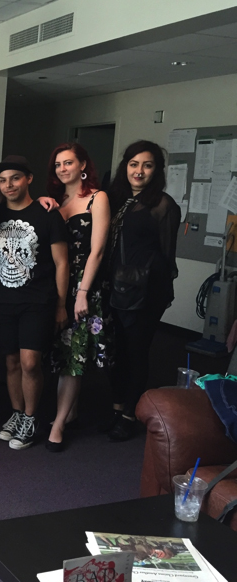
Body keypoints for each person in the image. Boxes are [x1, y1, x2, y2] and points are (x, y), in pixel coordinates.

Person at [104, 140, 181, 441]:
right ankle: (116, 408)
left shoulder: (163, 205)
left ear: (156, 171)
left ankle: (128, 416)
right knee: (115, 353)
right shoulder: (114, 199)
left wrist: (158, 294)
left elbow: (166, 257)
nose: (139, 171)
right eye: (134, 164)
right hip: (112, 289)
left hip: (143, 294)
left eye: (147, 165)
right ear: (125, 167)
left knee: (136, 354)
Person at [0, 155, 69, 450]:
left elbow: (62, 264)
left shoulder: (47, 214)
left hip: (38, 299)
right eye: (2, 180)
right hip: (5, 300)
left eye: (15, 178)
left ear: (29, 179)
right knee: (10, 362)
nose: (8, 185)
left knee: (30, 362)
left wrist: (61, 304)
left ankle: (30, 416)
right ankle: (16, 413)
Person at [47, 143, 113, 452]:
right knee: (63, 354)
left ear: (82, 164)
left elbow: (97, 250)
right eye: (58, 164)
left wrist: (83, 292)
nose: (62, 168)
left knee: (75, 355)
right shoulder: (59, 200)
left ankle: (58, 424)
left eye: (68, 162)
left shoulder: (98, 198)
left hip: (84, 288)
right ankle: (68, 412)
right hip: (59, 285)